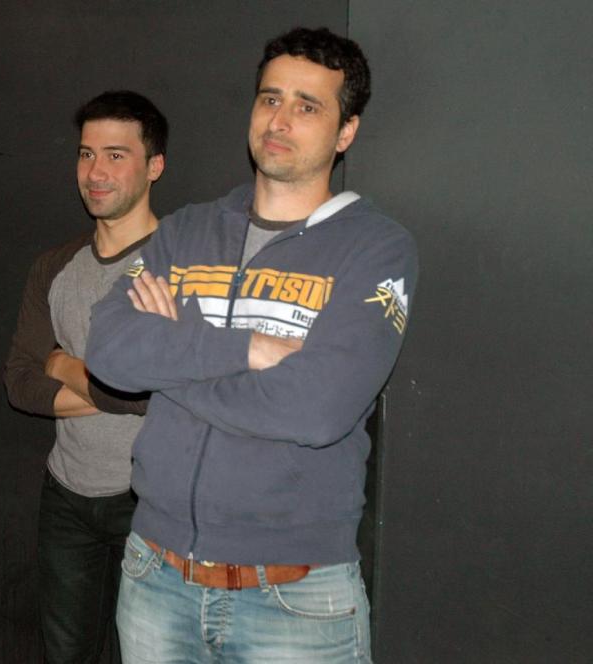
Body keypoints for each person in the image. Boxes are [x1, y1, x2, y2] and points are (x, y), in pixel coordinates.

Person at [86, 28, 418, 662]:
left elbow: (317, 410)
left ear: (346, 132)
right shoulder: (186, 232)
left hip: (294, 599)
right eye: (270, 99)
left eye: (307, 105)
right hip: (155, 577)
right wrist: (248, 349)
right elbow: (108, 351)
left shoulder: (376, 248)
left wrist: (172, 361)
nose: (280, 119)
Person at [3, 91, 167, 663]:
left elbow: (163, 391)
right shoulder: (55, 266)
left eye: (117, 155)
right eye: (86, 154)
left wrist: (64, 364)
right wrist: (118, 387)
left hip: (150, 502)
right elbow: (20, 382)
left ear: (155, 166)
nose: (96, 172)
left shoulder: (181, 265)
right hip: (66, 499)